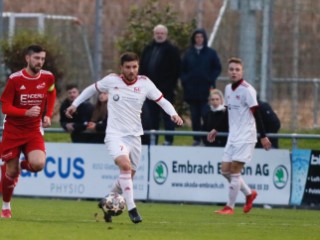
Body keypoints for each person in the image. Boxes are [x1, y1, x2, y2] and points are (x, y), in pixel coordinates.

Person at [65, 52, 183, 224]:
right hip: (115, 135)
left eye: (134, 67)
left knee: (127, 176)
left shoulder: (145, 83)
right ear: (122, 68)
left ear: (138, 67)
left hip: (135, 136)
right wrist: (75, 104)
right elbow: (91, 89)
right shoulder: (112, 81)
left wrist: (174, 114)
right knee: (125, 166)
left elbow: (162, 100)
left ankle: (108, 202)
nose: (131, 70)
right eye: (128, 67)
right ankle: (132, 208)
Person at [207, 57, 271, 215]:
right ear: (228, 72)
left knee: (235, 171)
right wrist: (216, 128)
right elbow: (227, 112)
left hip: (246, 136)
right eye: (231, 69)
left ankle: (229, 207)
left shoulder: (248, 90)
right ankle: (249, 194)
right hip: (233, 136)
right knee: (224, 171)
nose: (234, 72)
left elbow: (257, 114)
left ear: (242, 72)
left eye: (237, 70)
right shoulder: (228, 89)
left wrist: (263, 136)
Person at [0, 44, 56, 218]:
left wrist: (47, 114)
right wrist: (25, 112)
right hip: (13, 130)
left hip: (33, 130)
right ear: (28, 58)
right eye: (36, 58)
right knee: (10, 172)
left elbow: (51, 93)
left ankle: (21, 166)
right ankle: (6, 206)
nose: (40, 62)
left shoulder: (48, 77)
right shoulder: (15, 79)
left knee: (39, 164)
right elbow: (5, 107)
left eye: (42, 59)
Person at [139, 24, 181, 145]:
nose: (159, 35)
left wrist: (169, 85)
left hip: (165, 91)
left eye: (162, 33)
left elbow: (176, 69)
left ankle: (168, 140)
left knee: (168, 115)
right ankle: (153, 140)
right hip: (149, 91)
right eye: (157, 33)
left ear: (166, 35)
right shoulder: (148, 49)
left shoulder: (172, 50)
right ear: (154, 34)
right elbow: (142, 67)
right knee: (152, 117)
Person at [181, 28, 222, 146]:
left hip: (206, 91)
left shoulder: (211, 53)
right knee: (195, 116)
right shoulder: (188, 54)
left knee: (207, 115)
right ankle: (196, 139)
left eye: (201, 37)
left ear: (204, 38)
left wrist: (210, 78)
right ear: (194, 39)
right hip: (192, 91)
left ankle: (207, 138)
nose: (199, 39)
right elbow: (182, 70)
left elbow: (217, 68)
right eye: (197, 37)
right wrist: (186, 80)